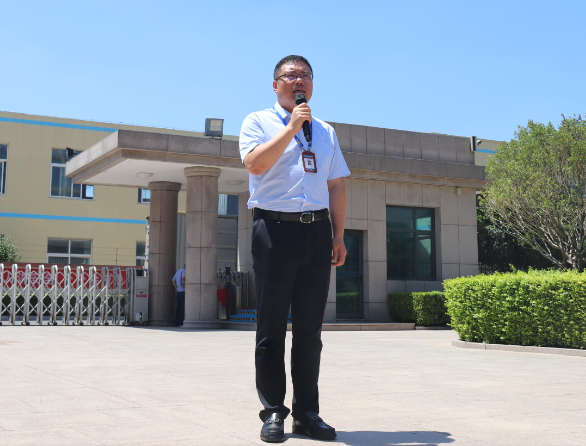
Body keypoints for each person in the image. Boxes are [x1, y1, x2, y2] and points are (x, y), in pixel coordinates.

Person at [239, 55, 350, 443]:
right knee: (271, 327)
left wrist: (338, 235)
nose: (299, 80)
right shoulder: (257, 122)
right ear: (276, 85)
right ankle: (273, 412)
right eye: (291, 75)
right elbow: (255, 165)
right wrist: (291, 128)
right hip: (274, 230)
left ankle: (307, 413)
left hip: (316, 232)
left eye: (305, 75)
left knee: (309, 332)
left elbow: (336, 185)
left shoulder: (326, 131)